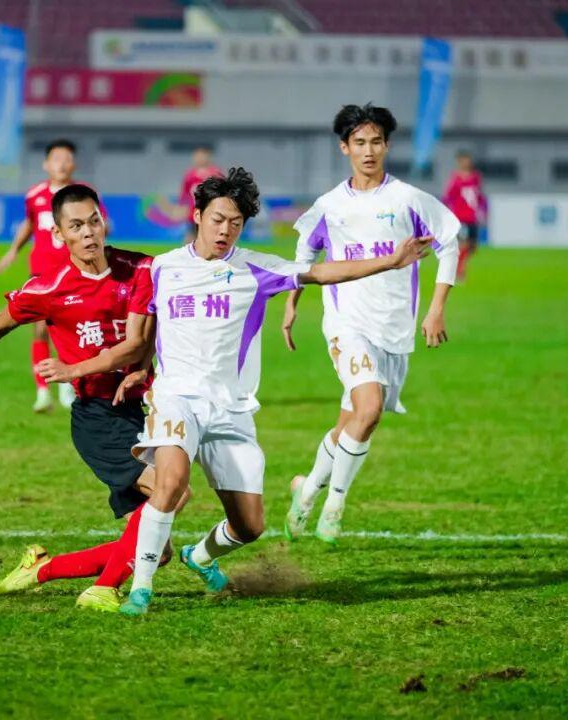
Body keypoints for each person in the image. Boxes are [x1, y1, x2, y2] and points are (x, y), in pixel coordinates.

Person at [42, 168, 432, 616]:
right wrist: (144, 366)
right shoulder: (162, 268)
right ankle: (139, 592)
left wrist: (391, 261)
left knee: (250, 526)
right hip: (176, 399)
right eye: (217, 219)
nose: (225, 230)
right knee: (169, 483)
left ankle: (199, 555)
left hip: (230, 410)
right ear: (197, 216)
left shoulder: (256, 269)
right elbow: (151, 324)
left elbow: (321, 272)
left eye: (235, 222)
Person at [0, 184, 178, 612]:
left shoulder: (140, 269)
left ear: (104, 222)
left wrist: (140, 366)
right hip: (98, 419)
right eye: (76, 226)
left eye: (94, 222)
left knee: (157, 550)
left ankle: (41, 569)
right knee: (172, 488)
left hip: (137, 412)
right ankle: (102, 590)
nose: (88, 233)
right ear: (59, 234)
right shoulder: (50, 288)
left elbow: (144, 334)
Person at [282, 103, 460, 545]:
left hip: (394, 328)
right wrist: (292, 304)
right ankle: (334, 506)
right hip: (346, 324)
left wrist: (436, 308)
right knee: (369, 409)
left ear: (387, 146)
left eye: (376, 142)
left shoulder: (408, 199)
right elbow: (304, 257)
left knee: (352, 423)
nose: (368, 150)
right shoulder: (330, 205)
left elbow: (450, 243)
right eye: (359, 142)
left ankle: (308, 488)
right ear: (344, 147)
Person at [0, 139, 104, 413]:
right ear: (46, 164)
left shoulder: (83, 195)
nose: (62, 164)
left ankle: (69, 385)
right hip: (42, 272)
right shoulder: (35, 195)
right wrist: (13, 250)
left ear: (74, 164)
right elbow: (30, 223)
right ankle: (43, 392)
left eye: (67, 159)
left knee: (72, 329)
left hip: (75, 271)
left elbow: (100, 224)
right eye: (56, 159)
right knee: (40, 329)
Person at [442, 149, 487, 282]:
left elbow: (479, 195)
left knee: (472, 246)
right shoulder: (455, 178)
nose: (466, 162)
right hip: (460, 217)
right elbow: (448, 197)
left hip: (472, 217)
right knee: (464, 244)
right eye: (463, 160)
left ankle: (458, 267)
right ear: (459, 162)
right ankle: (459, 271)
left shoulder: (476, 177)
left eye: (468, 160)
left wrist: (483, 210)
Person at [179, 144, 223, 244]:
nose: (199, 159)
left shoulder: (215, 173)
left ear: (208, 157)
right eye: (197, 156)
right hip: (194, 213)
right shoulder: (190, 175)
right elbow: (185, 194)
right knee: (190, 239)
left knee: (212, 239)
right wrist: (183, 208)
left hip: (211, 212)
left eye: (202, 156)